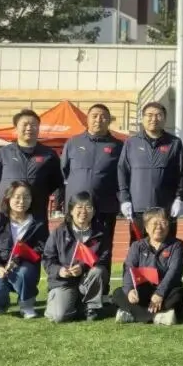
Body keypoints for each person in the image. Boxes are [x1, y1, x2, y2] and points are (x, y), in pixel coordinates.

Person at [60, 103, 123, 272]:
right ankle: (71, 282)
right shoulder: (73, 142)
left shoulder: (118, 146)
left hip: (105, 207)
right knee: (72, 245)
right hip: (76, 208)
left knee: (103, 247)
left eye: (103, 116)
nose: (98, 120)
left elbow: (123, 175)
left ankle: (101, 283)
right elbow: (63, 171)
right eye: (94, 116)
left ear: (109, 120)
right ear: (87, 119)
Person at [0, 181, 48, 318]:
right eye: (17, 197)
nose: (22, 201)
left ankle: (26, 304)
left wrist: (17, 260)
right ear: (8, 198)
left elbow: (41, 247)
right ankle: (1, 303)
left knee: (25, 272)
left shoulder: (38, 222)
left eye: (26, 197)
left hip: (23, 264)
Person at [118, 102, 183, 242]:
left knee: (166, 248)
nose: (153, 119)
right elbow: (123, 172)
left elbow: (181, 174)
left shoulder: (174, 143)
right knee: (138, 248)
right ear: (142, 118)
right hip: (138, 208)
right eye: (149, 115)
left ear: (164, 119)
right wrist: (124, 199)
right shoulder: (131, 143)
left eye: (158, 115)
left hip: (165, 209)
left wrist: (179, 198)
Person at [42, 192, 111, 322]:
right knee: (59, 317)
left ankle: (91, 306)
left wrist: (83, 267)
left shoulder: (101, 232)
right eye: (79, 207)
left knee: (98, 271)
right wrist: (59, 270)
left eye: (88, 207)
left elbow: (104, 258)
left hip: (87, 280)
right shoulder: (59, 232)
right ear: (71, 210)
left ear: (94, 211)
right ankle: (75, 305)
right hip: (64, 282)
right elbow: (47, 258)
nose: (83, 211)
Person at [0, 109, 64, 222]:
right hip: (8, 210)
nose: (29, 128)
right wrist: (8, 194)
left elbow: (57, 181)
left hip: (37, 209)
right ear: (16, 128)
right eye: (25, 124)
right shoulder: (3, 153)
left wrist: (39, 192)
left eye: (33, 125)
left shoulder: (49, 154)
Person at [113, 207, 183, 324]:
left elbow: (174, 272)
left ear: (168, 226)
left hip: (165, 291)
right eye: (154, 223)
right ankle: (158, 317)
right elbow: (128, 269)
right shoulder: (137, 246)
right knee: (118, 293)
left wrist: (160, 293)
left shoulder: (177, 245)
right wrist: (130, 290)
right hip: (142, 290)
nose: (159, 227)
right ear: (147, 227)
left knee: (179, 295)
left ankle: (133, 314)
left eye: (163, 222)